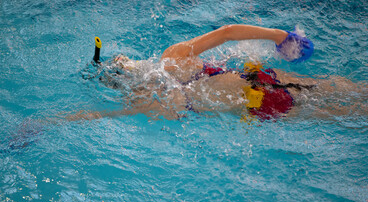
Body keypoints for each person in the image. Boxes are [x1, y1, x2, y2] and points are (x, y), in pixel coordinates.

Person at [66, 25, 366, 121]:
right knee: (335, 87)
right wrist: (278, 36)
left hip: (260, 106)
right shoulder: (173, 57)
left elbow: (93, 116)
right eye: (123, 61)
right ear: (129, 66)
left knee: (341, 111)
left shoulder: (148, 104)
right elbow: (228, 32)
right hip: (261, 81)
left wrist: (44, 123)